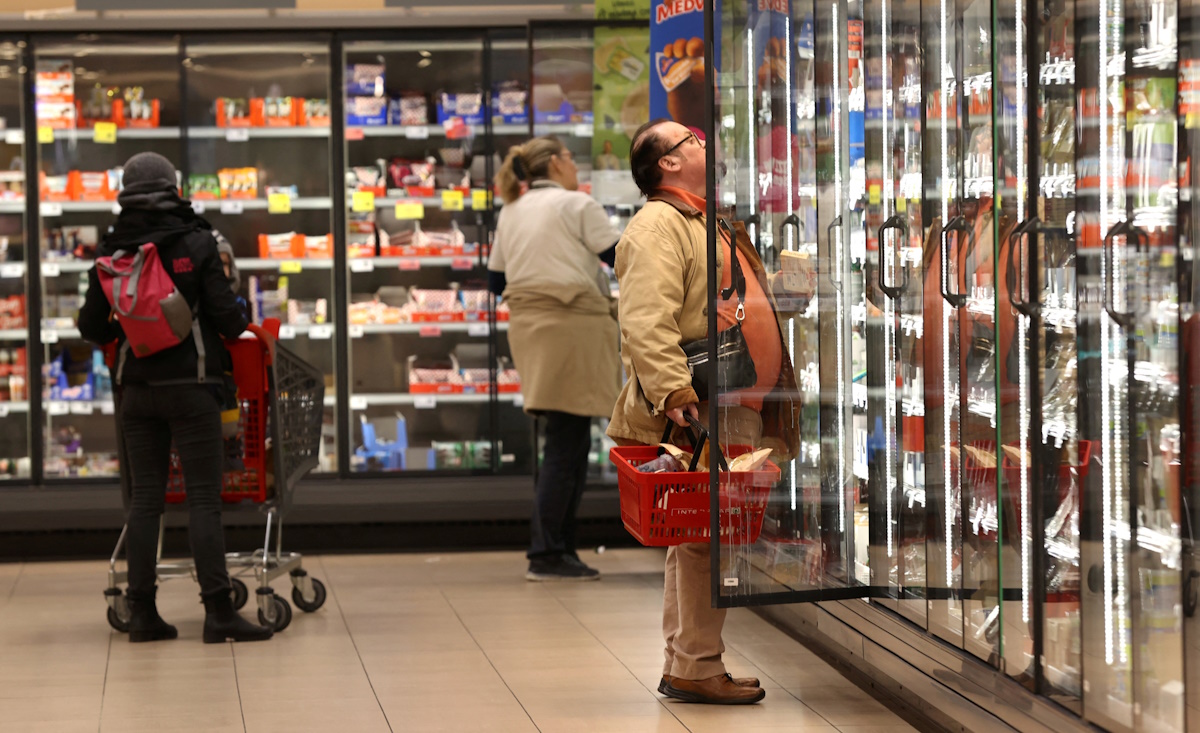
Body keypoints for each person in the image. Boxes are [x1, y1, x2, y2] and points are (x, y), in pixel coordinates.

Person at [608, 119, 801, 704]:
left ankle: (689, 661)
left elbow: (730, 306)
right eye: (690, 140)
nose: (703, 143)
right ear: (665, 163)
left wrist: (785, 296)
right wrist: (679, 398)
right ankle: (695, 664)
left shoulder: (704, 221)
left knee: (698, 538)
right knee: (704, 538)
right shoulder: (657, 227)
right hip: (702, 406)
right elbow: (645, 322)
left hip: (735, 400)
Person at [78, 152, 273, 644]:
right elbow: (230, 321)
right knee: (204, 499)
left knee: (145, 501)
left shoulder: (113, 248)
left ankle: (142, 612)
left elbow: (87, 326)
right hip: (193, 387)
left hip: (137, 391)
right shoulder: (198, 241)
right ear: (174, 187)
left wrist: (133, 326)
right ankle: (218, 612)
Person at [489, 136, 622, 582]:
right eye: (570, 158)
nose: (574, 166)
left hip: (529, 330)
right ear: (557, 163)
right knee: (567, 444)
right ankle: (546, 552)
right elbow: (619, 258)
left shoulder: (511, 209)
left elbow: (495, 280)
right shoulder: (576, 205)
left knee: (566, 438)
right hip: (572, 327)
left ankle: (559, 546)